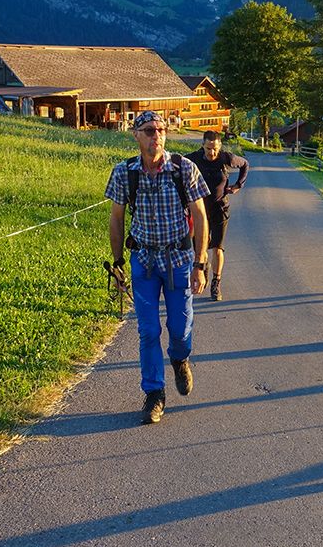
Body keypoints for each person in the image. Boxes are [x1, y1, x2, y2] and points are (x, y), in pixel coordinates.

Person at [107, 110, 210, 425]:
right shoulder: (125, 172)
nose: (157, 136)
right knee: (148, 330)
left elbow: (202, 217)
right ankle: (154, 394)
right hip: (144, 263)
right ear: (136, 135)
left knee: (180, 329)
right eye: (150, 130)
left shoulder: (184, 169)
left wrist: (200, 264)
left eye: (161, 130)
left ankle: (180, 359)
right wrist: (117, 263)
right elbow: (116, 217)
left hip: (179, 261)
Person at [186, 130, 250, 301]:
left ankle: (216, 283)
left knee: (218, 247)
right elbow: (177, 168)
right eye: (208, 148)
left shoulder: (226, 158)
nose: (211, 152)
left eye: (214, 149)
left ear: (220, 146)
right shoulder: (194, 159)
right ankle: (203, 269)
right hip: (199, 212)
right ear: (203, 145)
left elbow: (245, 164)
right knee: (201, 247)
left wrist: (238, 185)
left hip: (220, 208)